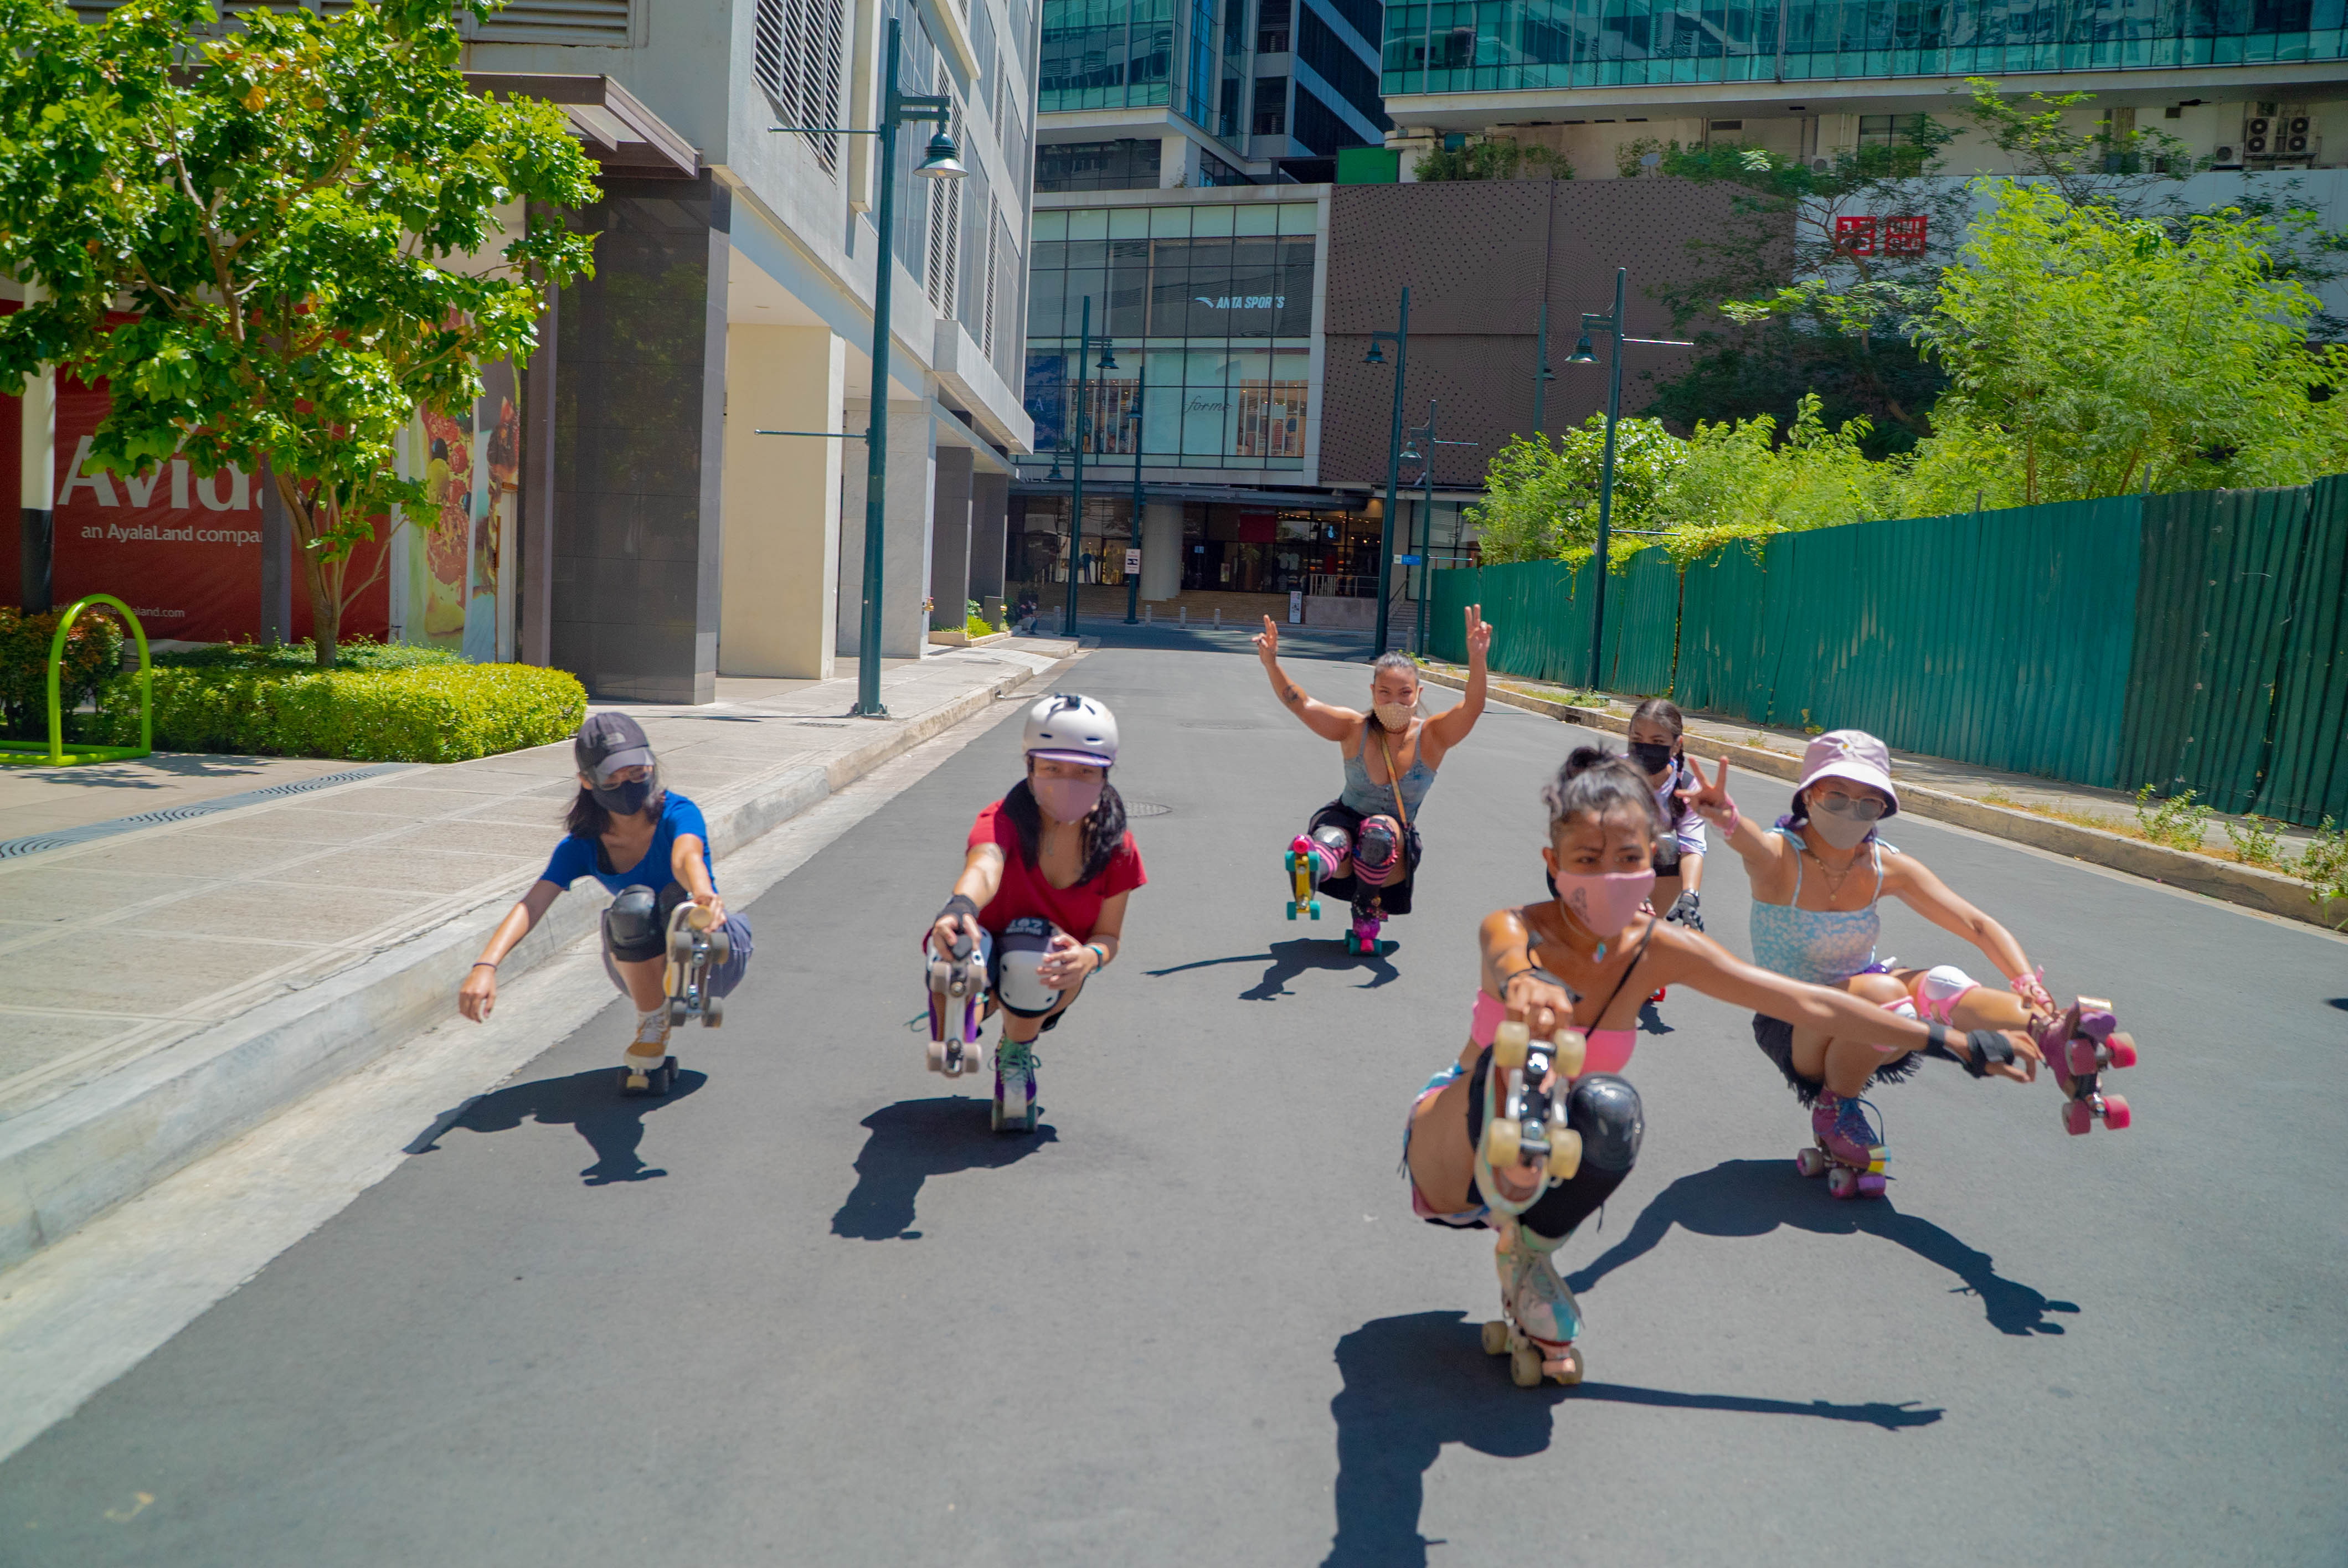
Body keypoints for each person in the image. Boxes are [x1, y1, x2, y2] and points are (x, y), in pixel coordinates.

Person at [1402, 746, 2040, 1385]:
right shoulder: (1512, 929)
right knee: (1528, 1057)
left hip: (1552, 1148)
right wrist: (1528, 987)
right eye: (1587, 862)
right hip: (1456, 1143)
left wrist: (1951, 1041)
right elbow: (1512, 962)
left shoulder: (1661, 950)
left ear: (1654, 864)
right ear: (1553, 863)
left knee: (1609, 1108)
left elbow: (1807, 1001)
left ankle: (1528, 1258)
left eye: (1629, 861)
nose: (1610, 877)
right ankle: (1517, 1164)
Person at [1677, 729, 2138, 1185]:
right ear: (1808, 796)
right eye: (1837, 797)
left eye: (1868, 804)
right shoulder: (1781, 858)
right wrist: (1727, 820)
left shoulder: (1885, 866)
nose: (1851, 813)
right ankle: (1834, 1110)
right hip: (1796, 1024)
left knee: (1942, 982)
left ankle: (2049, 1031)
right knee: (1886, 990)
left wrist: (2030, 988)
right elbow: (1752, 843)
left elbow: (1976, 925)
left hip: (1880, 1022)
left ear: (1883, 809)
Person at [459, 713, 752, 1094]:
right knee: (632, 908)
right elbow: (533, 904)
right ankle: (654, 1021)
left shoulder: (678, 812)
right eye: (615, 776)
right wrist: (486, 966)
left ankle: (691, 959)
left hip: (721, 949)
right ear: (587, 780)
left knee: (673, 900)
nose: (630, 783)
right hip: (638, 965)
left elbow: (686, 856)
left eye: (638, 771)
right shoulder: (582, 845)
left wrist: (703, 893)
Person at [929, 694, 1145, 1133]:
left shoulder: (1117, 847)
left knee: (1035, 959)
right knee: (961, 951)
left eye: (1084, 771)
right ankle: (960, 1013)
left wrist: (1090, 959)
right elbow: (985, 864)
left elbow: (1109, 936)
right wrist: (961, 906)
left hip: (1049, 970)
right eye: (1052, 768)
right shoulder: (1003, 818)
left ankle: (1013, 1051)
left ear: (1105, 773)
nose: (1067, 781)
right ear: (1030, 767)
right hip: (981, 951)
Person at [1255, 604, 1493, 955]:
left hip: (1389, 849)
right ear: (1372, 692)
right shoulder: (1355, 729)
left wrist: (1477, 659)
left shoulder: (1433, 736)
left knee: (1379, 831)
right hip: (1345, 825)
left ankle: (1364, 908)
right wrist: (1272, 663)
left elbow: (1471, 707)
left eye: (1404, 693)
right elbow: (1301, 704)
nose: (1394, 701)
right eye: (1385, 693)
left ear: (1418, 694)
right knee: (1333, 837)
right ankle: (1314, 864)